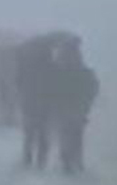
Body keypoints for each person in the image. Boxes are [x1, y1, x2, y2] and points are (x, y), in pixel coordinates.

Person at [17, 33, 65, 169]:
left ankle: (27, 158)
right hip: (46, 105)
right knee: (43, 134)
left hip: (29, 104)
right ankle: (41, 161)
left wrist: (24, 97)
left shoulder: (27, 67)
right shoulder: (53, 68)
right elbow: (58, 87)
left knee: (29, 134)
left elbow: (19, 83)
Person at [54, 36, 99, 175]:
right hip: (77, 105)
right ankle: (76, 161)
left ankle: (68, 161)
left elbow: (54, 86)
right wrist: (87, 102)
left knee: (66, 133)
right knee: (76, 134)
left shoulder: (61, 66)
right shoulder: (79, 67)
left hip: (66, 105)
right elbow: (91, 87)